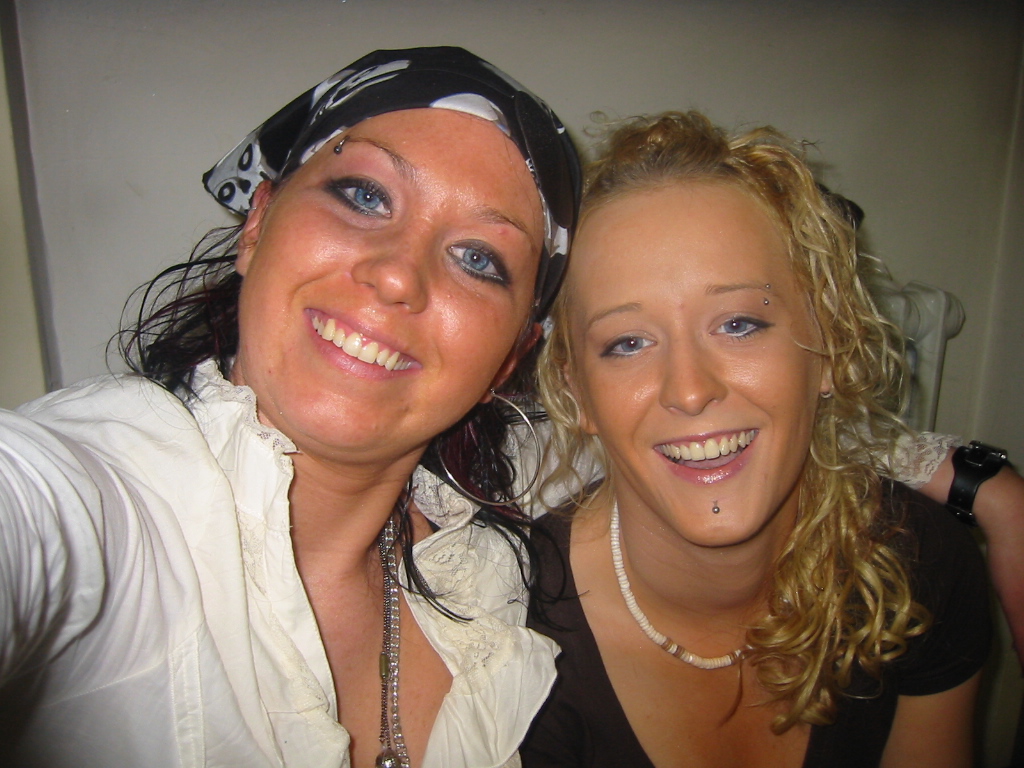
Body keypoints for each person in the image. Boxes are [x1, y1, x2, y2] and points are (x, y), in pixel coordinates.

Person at [0, 46, 580, 768]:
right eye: (365, 196)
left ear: (510, 360)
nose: (398, 275)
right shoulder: (105, 493)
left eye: (478, 259)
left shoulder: (488, 567)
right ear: (258, 225)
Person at [522, 111, 991, 767]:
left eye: (739, 324)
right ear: (577, 393)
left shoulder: (919, 564)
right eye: (627, 343)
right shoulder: (516, 633)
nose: (690, 390)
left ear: (828, 347)